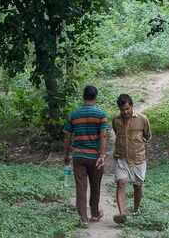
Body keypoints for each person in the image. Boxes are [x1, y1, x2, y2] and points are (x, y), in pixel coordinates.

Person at [63, 85, 109, 227]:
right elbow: (104, 135)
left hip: (78, 157)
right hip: (95, 157)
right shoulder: (101, 115)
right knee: (95, 185)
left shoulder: (74, 115)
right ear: (95, 97)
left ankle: (83, 219)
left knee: (81, 187)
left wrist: (66, 154)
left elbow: (67, 136)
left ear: (83, 97)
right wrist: (102, 155)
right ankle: (95, 213)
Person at [112, 94, 151, 225]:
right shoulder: (115, 120)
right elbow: (117, 134)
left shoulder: (142, 119)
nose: (125, 112)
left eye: (127, 109)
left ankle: (135, 210)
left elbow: (147, 135)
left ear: (132, 106)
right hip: (121, 157)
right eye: (122, 109)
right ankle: (122, 214)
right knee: (121, 182)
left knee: (137, 186)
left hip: (138, 158)